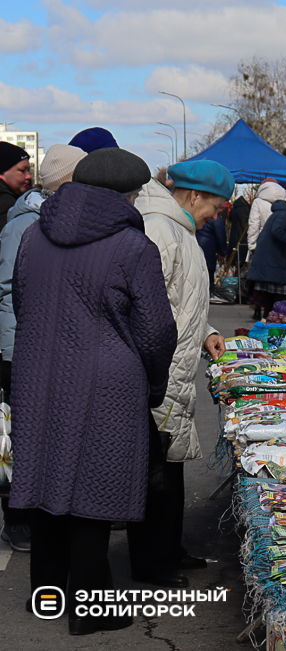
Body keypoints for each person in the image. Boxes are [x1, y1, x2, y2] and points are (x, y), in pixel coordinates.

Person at [10, 148, 177, 635]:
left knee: (45, 481)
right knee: (94, 491)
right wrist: (154, 383)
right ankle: (92, 609)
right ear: (128, 195)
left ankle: (46, 593)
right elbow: (156, 331)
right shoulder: (132, 246)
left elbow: (22, 301)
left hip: (37, 374)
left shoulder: (34, 235)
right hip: (108, 381)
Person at [132, 160, 231, 588]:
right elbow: (149, 305)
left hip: (176, 367)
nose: (216, 216)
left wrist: (206, 331)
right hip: (160, 370)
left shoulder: (181, 230)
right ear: (193, 196)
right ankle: (151, 566)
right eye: (216, 207)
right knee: (154, 474)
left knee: (170, 468)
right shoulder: (160, 229)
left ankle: (169, 550)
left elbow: (183, 299)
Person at [0, 144, 88, 554]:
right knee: (17, 435)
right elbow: (8, 291)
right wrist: (13, 348)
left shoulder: (54, 216)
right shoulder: (24, 222)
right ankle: (17, 520)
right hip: (18, 347)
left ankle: (42, 515)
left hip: (43, 344)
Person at [248, 196, 286, 317]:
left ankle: (267, 319)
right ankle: (271, 320)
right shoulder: (284, 215)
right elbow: (277, 230)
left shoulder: (279, 213)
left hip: (269, 258)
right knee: (277, 294)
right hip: (273, 259)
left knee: (270, 295)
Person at [247, 178, 286, 259]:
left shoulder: (257, 202)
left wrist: (252, 245)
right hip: (280, 242)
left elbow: (254, 225)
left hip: (262, 242)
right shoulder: (285, 201)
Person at [0, 142, 32, 228]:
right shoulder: (6, 202)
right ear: (2, 173)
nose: (29, 176)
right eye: (22, 170)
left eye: (28, 171)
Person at [196, 204, 228, 289]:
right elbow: (221, 236)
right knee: (208, 277)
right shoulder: (216, 219)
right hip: (208, 249)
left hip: (198, 245)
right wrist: (223, 252)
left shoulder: (200, 215)